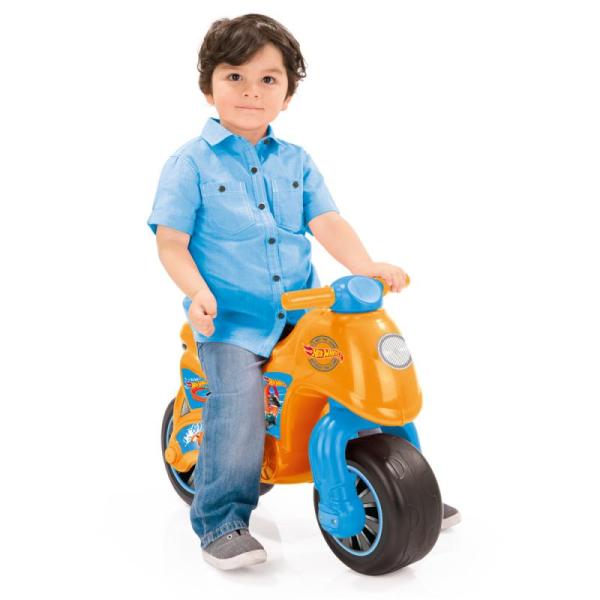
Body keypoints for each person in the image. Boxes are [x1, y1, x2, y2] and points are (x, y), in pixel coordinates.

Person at [148, 13, 460, 571]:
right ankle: (221, 520)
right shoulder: (189, 163)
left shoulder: (296, 162)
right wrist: (196, 292)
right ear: (208, 88)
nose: (251, 91)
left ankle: (406, 485)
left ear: (287, 95)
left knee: (357, 374)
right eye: (234, 76)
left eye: (268, 79)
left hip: (303, 313)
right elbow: (171, 242)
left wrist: (366, 266)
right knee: (239, 404)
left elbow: (327, 222)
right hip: (231, 322)